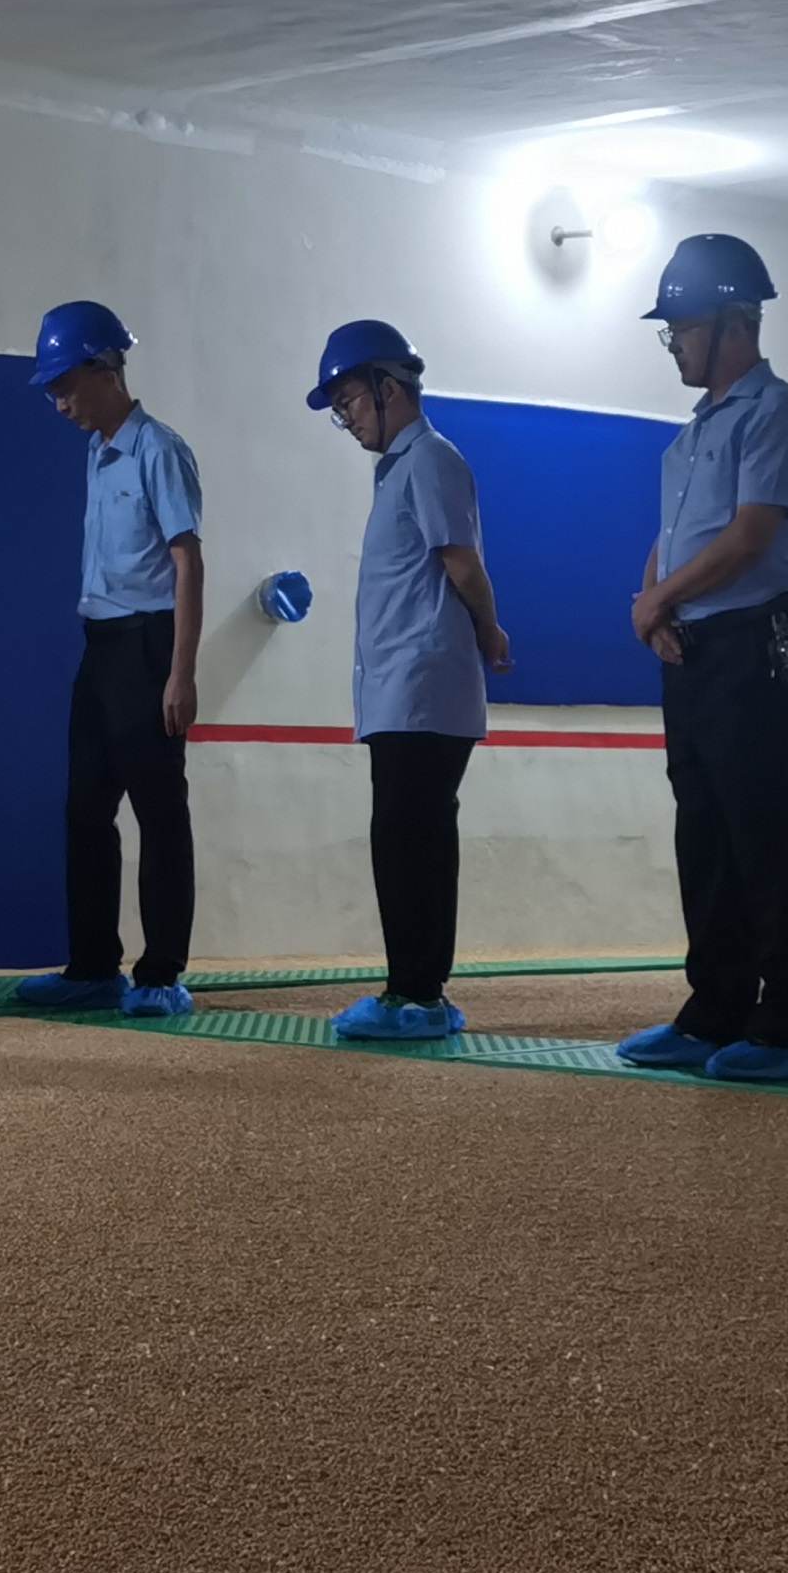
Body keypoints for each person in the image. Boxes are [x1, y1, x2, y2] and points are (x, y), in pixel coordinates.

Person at [613, 234, 788, 1084]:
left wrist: (660, 600)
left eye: (682, 329)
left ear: (736, 322)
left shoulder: (779, 414)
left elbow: (749, 537)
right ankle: (715, 1007)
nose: (673, 345)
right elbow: (673, 538)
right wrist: (654, 605)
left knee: (768, 830)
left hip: (756, 643)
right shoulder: (690, 437)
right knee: (704, 830)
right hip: (695, 646)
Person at [306, 320, 513, 1041]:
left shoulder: (429, 460)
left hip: (422, 686)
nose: (347, 418)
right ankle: (416, 989)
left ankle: (418, 994)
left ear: (389, 388)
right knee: (404, 837)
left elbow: (461, 562)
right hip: (400, 688)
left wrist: (489, 629)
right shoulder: (400, 468)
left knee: (411, 839)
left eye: (349, 401)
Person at [15, 300, 206, 1018]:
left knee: (159, 811)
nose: (58, 403)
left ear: (105, 370)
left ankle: (162, 973)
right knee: (85, 809)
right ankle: (94, 965)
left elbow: (187, 562)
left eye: (65, 386)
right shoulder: (98, 452)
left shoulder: (159, 450)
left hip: (149, 643)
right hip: (100, 645)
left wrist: (180, 673)